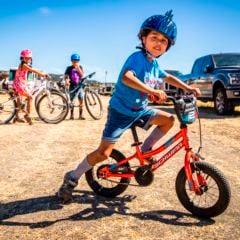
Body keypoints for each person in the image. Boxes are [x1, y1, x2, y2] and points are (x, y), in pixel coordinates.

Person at [57, 10, 201, 203]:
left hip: (139, 110)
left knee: (168, 120)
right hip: (120, 111)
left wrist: (187, 87)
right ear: (143, 38)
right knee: (103, 153)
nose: (159, 43)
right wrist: (151, 90)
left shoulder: (153, 63)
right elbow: (127, 77)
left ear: (168, 47)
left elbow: (167, 77)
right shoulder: (137, 58)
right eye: (154, 37)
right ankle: (72, 178)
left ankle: (147, 150)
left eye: (164, 41)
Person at [12, 49, 49, 124]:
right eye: (27, 57)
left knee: (20, 102)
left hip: (19, 83)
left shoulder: (23, 64)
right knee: (30, 97)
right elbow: (33, 70)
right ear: (23, 58)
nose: (29, 59)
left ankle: (16, 117)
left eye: (29, 58)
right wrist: (42, 74)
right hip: (19, 84)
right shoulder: (24, 65)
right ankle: (27, 115)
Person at [64, 53, 85, 120]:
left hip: (79, 86)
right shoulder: (69, 68)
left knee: (81, 100)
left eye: (77, 61)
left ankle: (80, 115)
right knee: (72, 101)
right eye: (74, 61)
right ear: (71, 61)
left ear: (79, 61)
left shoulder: (80, 67)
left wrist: (78, 67)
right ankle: (71, 115)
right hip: (72, 86)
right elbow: (66, 76)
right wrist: (67, 81)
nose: (75, 62)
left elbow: (82, 75)